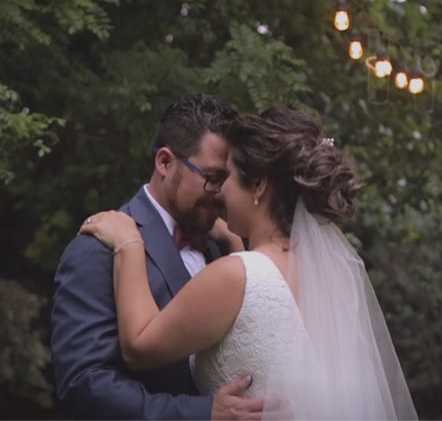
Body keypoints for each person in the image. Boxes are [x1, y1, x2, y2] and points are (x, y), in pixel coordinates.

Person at [79, 107, 418, 420]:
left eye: (225, 176)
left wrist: (129, 243)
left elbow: (138, 347)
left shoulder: (236, 275)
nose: (219, 192)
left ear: (258, 185)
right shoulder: (340, 273)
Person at [51, 94, 264, 420]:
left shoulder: (222, 246)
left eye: (228, 179)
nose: (221, 193)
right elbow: (85, 386)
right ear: (164, 162)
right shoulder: (97, 251)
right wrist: (202, 412)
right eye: (212, 177)